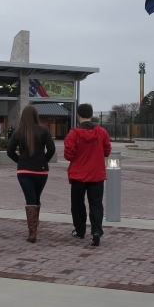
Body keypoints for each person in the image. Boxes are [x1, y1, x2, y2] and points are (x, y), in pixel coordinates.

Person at [64, 103, 112, 246]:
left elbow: (69, 155)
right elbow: (107, 151)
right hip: (96, 174)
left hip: (78, 175)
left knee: (78, 204)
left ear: (78, 116)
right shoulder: (102, 132)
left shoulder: (73, 134)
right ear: (91, 115)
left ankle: (80, 230)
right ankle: (96, 231)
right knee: (96, 204)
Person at [7, 105, 56, 243]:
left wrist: (20, 161)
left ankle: (32, 233)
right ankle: (34, 226)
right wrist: (44, 160)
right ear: (36, 116)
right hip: (41, 170)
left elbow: (10, 152)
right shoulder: (44, 130)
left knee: (31, 199)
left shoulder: (18, 131)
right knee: (36, 197)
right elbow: (51, 149)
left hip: (24, 171)